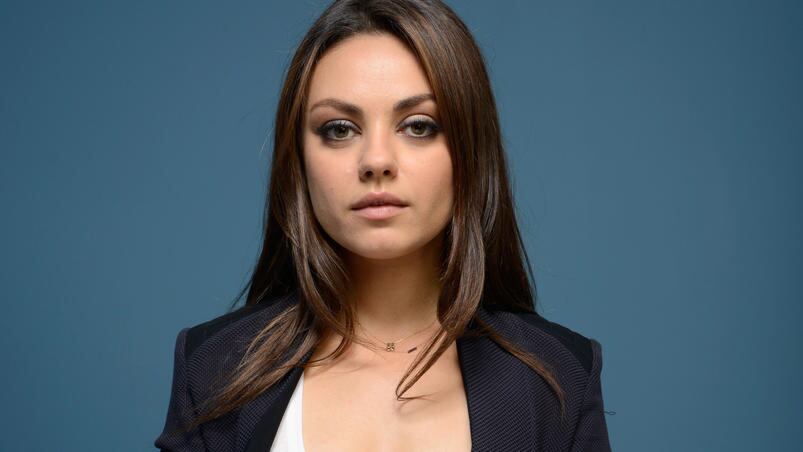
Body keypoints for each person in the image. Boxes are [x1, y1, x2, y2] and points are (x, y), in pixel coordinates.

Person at [154, 0, 612, 451]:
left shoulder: (560, 377)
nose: (376, 160)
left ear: (470, 152)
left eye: (418, 126)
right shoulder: (213, 368)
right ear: (299, 160)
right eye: (339, 129)